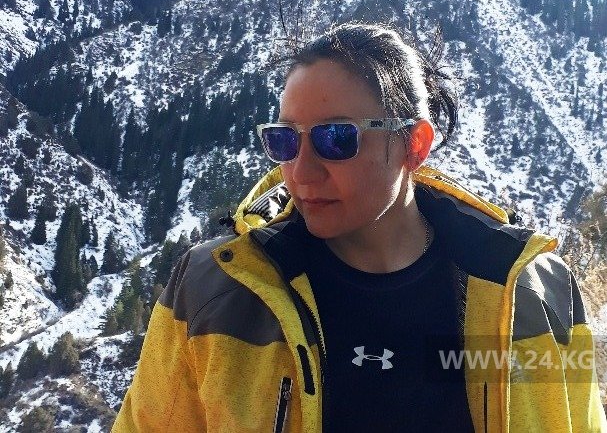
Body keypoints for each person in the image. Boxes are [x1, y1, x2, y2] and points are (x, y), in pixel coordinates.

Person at [112, 22, 607, 432]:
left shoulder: (534, 294)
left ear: (414, 144)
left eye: (335, 139)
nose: (301, 172)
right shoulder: (213, 291)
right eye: (285, 140)